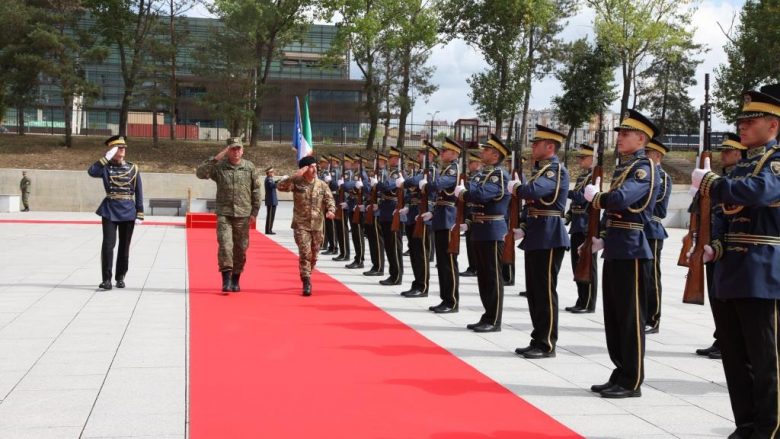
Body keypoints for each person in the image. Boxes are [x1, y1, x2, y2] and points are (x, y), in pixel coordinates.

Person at [690, 84, 780, 439]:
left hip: (763, 268)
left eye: (751, 120)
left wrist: (714, 183)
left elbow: (761, 193)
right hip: (731, 269)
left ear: (773, 125)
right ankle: (746, 424)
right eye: (741, 120)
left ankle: (770, 429)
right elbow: (723, 215)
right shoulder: (743, 165)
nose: (742, 126)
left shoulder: (775, 162)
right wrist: (714, 246)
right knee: (735, 356)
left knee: (766, 358)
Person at [583, 109, 660, 398]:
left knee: (630, 317)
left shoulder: (644, 168)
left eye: (625, 134)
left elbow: (621, 199)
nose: (620, 138)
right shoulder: (624, 167)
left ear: (641, 138)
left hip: (632, 249)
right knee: (614, 316)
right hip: (616, 245)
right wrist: (602, 236)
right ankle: (620, 372)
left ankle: (632, 380)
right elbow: (613, 208)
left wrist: (598, 199)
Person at [507, 125, 570, 359]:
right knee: (534, 292)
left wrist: (518, 187)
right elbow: (531, 204)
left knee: (544, 291)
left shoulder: (555, 171)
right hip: (537, 233)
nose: (532, 146)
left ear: (550, 146)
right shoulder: (541, 170)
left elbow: (534, 192)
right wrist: (523, 226)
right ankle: (538, 338)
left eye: (537, 143)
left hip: (549, 235)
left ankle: (547, 344)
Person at [454, 134, 511, 332]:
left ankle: (494, 320)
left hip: (493, 231)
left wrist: (463, 193)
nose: (482, 152)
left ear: (495, 155)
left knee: (493, 276)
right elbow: (476, 194)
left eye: (486, 150)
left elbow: (481, 195)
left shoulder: (499, 175)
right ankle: (487, 315)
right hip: (480, 229)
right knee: (484, 277)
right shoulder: (486, 174)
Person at [695, 133, 745, 361]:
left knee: (725, 298)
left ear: (738, 153)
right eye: (722, 151)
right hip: (713, 242)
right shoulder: (722, 177)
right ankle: (721, 338)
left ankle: (725, 340)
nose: (723, 154)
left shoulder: (737, 179)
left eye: (728, 151)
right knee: (716, 295)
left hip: (726, 244)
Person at [196, 137, 261, 294]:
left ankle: (235, 279)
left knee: (240, 249)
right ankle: (225, 280)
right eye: (232, 149)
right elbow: (200, 173)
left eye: (238, 148)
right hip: (224, 213)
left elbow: (257, 190)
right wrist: (217, 157)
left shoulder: (249, 167)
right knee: (225, 246)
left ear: (242, 150)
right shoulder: (219, 167)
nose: (236, 151)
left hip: (243, 214)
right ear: (227, 151)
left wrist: (255, 212)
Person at [87, 136, 144, 290]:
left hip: (128, 210)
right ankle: (106, 279)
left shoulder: (133, 168)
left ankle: (120, 277)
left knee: (124, 247)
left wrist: (140, 212)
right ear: (112, 150)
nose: (122, 150)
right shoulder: (105, 168)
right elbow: (91, 171)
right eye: (119, 148)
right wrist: (106, 158)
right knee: (107, 246)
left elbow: (139, 191)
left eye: (124, 147)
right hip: (110, 209)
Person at [277, 156, 336, 296]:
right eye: (311, 166)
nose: (314, 169)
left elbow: (329, 199)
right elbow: (280, 186)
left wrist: (331, 210)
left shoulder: (321, 184)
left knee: (314, 255)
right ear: (304, 169)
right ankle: (306, 281)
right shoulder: (296, 182)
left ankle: (308, 272)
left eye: (315, 166)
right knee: (305, 253)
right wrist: (294, 175)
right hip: (301, 224)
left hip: (317, 225)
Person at [424, 137, 464, 313]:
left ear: (454, 154)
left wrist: (426, 185)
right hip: (441, 217)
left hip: (448, 220)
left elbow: (437, 185)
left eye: (444, 151)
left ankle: (452, 301)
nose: (441, 153)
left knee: (448, 263)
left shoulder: (453, 170)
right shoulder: (447, 169)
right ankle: (445, 299)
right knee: (442, 263)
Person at [397, 142, 438, 298]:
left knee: (421, 253)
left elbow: (414, 183)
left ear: (431, 156)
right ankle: (417, 283)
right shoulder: (422, 171)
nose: (419, 155)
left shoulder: (431, 171)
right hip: (413, 213)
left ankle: (423, 286)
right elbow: (413, 191)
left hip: (423, 213)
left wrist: (405, 183)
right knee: (414, 252)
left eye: (422, 153)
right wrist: (407, 204)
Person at [564, 144, 598, 314]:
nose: (580, 161)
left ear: (593, 160)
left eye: (583, 158)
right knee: (577, 265)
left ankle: (589, 302)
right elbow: (575, 204)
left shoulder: (594, 179)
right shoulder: (581, 178)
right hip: (577, 226)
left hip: (586, 226)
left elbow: (583, 198)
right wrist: (568, 217)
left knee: (587, 265)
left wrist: (565, 192)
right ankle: (581, 299)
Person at [643, 138, 672, 334]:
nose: (645, 156)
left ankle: (653, 318)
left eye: (648, 153)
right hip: (638, 229)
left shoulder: (662, 177)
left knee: (652, 276)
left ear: (658, 156)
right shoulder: (643, 175)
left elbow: (656, 204)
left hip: (652, 229)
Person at [378, 147, 404, 286]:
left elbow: (386, 187)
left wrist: (378, 184)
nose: (391, 160)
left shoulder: (397, 174)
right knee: (389, 246)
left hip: (393, 211)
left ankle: (397, 275)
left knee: (394, 246)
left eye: (393, 158)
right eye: (391, 158)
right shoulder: (390, 172)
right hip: (386, 212)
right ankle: (393, 274)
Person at [459, 150, 483, 277]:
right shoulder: (471, 176)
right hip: (468, 210)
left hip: (473, 209)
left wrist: (464, 183)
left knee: (473, 241)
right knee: (469, 241)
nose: (469, 164)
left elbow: (472, 188)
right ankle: (472, 266)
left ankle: (475, 267)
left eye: (472, 162)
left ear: (478, 164)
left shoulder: (478, 177)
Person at [343, 156, 369, 269]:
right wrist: (349, 204)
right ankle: (357, 258)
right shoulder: (356, 174)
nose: (352, 164)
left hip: (358, 208)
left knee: (358, 235)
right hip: (353, 206)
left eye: (355, 162)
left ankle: (360, 260)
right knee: (355, 235)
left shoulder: (362, 175)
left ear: (359, 163)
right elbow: (352, 191)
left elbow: (366, 191)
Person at [363, 154, 386, 276]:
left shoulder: (385, 174)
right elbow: (369, 192)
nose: (375, 163)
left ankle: (379, 267)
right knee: (372, 239)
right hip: (371, 209)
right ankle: (375, 265)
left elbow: (389, 192)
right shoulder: (375, 175)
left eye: (378, 161)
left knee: (377, 240)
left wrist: (379, 205)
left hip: (378, 211)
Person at [333, 155, 353, 262]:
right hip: (339, 202)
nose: (344, 164)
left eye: (346, 162)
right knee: (339, 229)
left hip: (344, 203)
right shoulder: (344, 173)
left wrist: (347, 202)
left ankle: (345, 253)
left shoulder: (350, 174)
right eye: (344, 162)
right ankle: (342, 252)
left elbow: (350, 189)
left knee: (343, 229)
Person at [321, 155, 339, 255]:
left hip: (333, 198)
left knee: (331, 224)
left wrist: (331, 181)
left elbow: (337, 186)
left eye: (332, 161)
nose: (330, 163)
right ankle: (331, 246)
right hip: (327, 198)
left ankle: (334, 247)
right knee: (328, 224)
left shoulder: (336, 172)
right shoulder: (328, 172)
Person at [264, 167, 278, 235]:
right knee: (270, 216)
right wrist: (279, 183)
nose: (273, 173)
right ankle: (268, 230)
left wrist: (277, 181)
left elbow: (273, 184)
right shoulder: (268, 179)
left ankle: (270, 229)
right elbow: (272, 186)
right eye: (272, 172)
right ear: (269, 173)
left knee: (272, 216)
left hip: (272, 200)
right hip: (270, 200)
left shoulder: (270, 179)